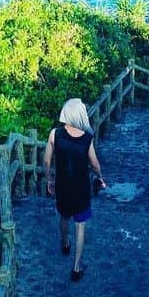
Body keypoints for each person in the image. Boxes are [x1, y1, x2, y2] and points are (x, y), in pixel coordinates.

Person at [44, 98, 106, 281]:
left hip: (63, 186)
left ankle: (64, 243)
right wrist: (100, 177)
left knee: (64, 216)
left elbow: (47, 161)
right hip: (81, 188)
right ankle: (76, 267)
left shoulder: (55, 134)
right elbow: (94, 164)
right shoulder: (87, 139)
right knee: (80, 225)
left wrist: (49, 179)